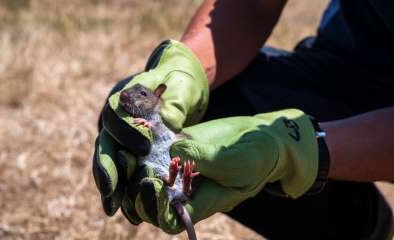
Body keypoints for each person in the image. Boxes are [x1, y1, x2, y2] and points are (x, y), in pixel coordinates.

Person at [92, 0, 394, 239]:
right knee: (138, 116)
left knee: (268, 153)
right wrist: (186, 69)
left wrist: (297, 149)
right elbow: (253, 5)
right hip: (344, 70)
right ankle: (356, 223)